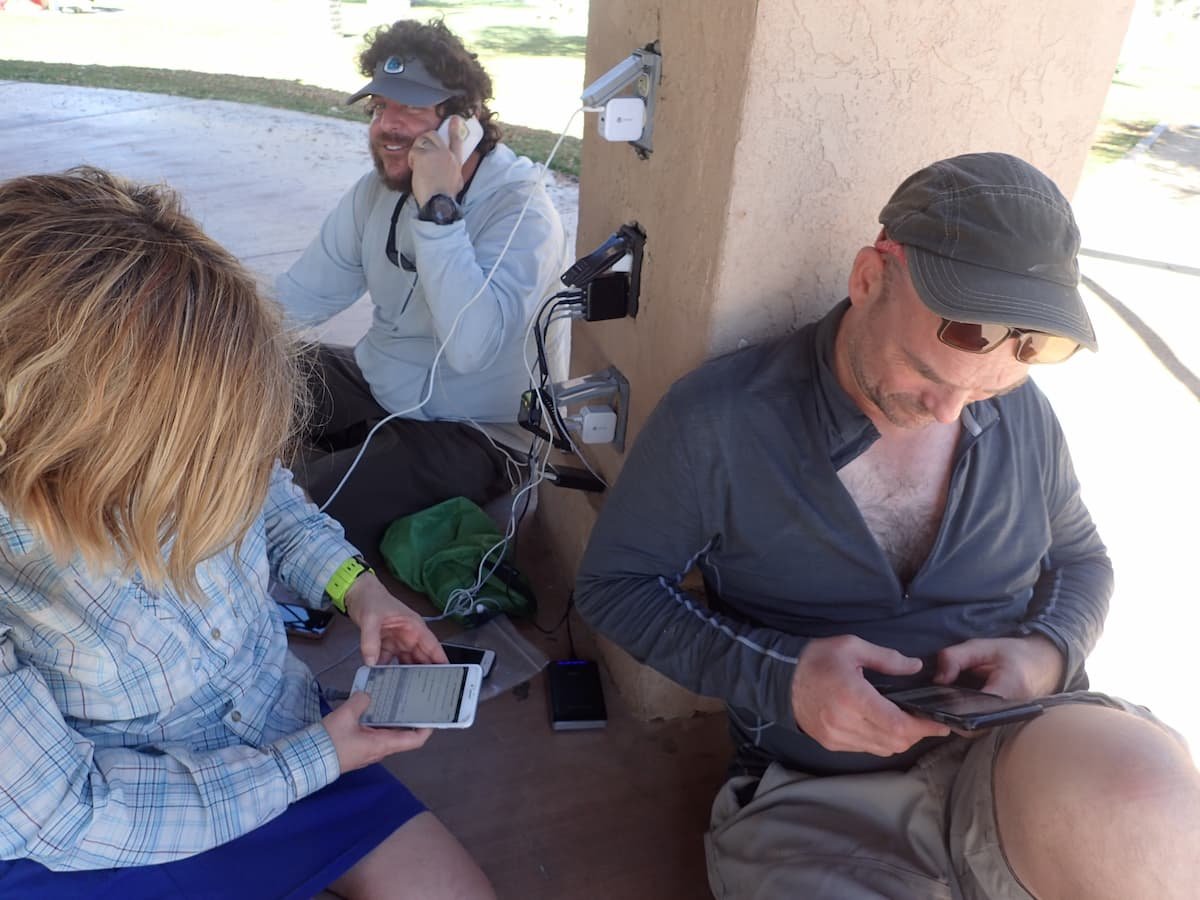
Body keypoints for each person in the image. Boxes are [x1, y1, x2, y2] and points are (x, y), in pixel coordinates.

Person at [575, 152, 1200, 898]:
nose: (950, 412)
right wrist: (784, 678)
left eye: (985, 391)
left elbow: (1082, 560)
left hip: (1016, 746)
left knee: (1150, 804)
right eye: (927, 374)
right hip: (819, 795)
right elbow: (615, 586)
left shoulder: (1023, 412)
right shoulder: (721, 420)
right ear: (870, 278)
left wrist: (1045, 651)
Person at [0, 167, 495, 899]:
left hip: (278, 730)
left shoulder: (187, 428)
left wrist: (360, 591)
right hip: (105, 821)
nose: (212, 475)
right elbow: (67, 815)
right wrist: (314, 761)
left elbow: (268, 499)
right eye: (186, 452)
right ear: (61, 433)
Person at [277, 19, 567, 550]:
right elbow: (298, 297)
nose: (386, 126)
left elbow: (470, 348)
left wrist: (438, 211)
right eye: (379, 106)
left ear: (463, 123)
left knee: (294, 510)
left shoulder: (523, 212)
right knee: (254, 368)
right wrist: (206, 341)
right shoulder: (375, 193)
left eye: (410, 109)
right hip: (378, 390)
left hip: (475, 434)